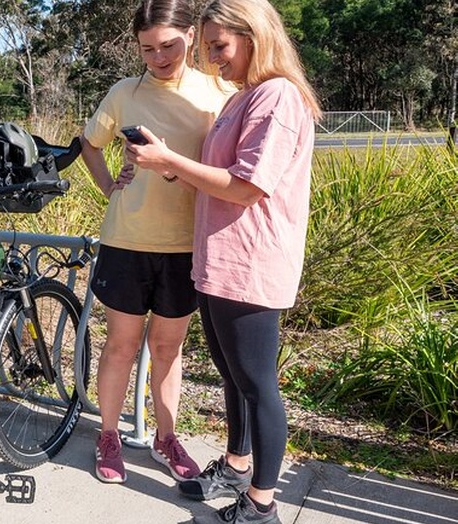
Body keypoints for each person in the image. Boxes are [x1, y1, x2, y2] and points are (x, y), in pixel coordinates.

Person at [124, 0, 321, 521]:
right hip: (219, 260)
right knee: (234, 378)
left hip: (250, 263)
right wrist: (173, 169)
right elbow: (220, 176)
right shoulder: (244, 96)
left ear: (254, 35)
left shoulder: (277, 97)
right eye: (208, 46)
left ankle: (262, 504)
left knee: (258, 385)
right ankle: (237, 464)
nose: (212, 58)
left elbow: (249, 186)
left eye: (219, 46)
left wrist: (170, 160)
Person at [81, 0, 233, 485]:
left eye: (168, 45)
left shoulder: (219, 91)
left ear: (191, 36)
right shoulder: (125, 92)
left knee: (168, 348)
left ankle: (166, 438)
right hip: (127, 239)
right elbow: (90, 143)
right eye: (147, 49)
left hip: (188, 243)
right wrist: (109, 187)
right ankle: (109, 435)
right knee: (121, 346)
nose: (159, 57)